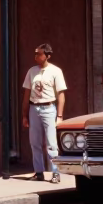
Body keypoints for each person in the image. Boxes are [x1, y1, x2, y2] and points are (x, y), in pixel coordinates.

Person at [21, 43, 67, 183]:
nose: (36, 57)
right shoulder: (32, 71)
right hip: (34, 108)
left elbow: (61, 94)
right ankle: (39, 172)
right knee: (34, 142)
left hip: (49, 108)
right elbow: (27, 94)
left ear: (47, 55)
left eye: (39, 54)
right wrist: (25, 114)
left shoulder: (55, 71)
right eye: (35, 54)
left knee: (51, 143)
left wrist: (59, 115)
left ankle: (55, 173)